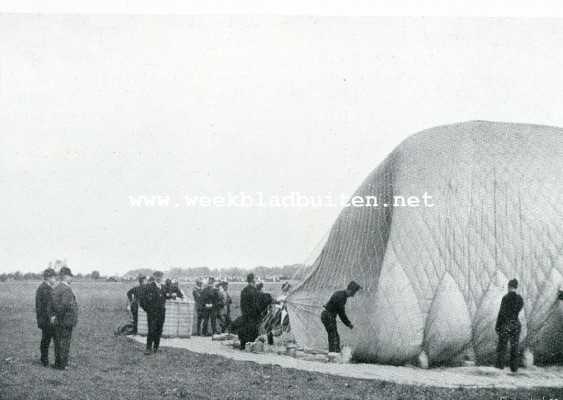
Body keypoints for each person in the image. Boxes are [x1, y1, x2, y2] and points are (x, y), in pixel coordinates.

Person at [321, 281, 361, 354]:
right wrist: (348, 324)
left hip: (326, 314)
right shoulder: (341, 297)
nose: (353, 295)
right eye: (353, 293)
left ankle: (332, 352)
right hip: (328, 315)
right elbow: (341, 314)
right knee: (334, 337)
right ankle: (335, 353)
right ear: (349, 290)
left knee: (332, 336)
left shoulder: (340, 294)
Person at [52, 266, 79, 370]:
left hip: (58, 320)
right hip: (66, 320)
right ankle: (63, 365)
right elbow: (64, 305)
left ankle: (58, 363)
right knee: (65, 343)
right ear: (65, 277)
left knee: (58, 342)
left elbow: (53, 304)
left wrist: (54, 316)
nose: (71, 278)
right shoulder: (66, 289)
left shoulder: (57, 288)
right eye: (70, 276)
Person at [495, 278, 524, 372]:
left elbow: (501, 313)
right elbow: (519, 309)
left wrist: (497, 326)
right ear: (516, 287)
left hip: (506, 324)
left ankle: (499, 368)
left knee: (502, 347)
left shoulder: (505, 298)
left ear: (509, 286)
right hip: (516, 324)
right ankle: (514, 369)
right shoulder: (520, 298)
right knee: (515, 347)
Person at [140, 271, 166, 355]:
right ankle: (148, 348)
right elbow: (142, 300)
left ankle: (156, 347)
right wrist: (148, 310)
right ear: (154, 277)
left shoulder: (163, 287)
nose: (159, 278)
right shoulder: (149, 286)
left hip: (161, 313)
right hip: (152, 313)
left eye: (160, 276)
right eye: (157, 276)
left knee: (159, 330)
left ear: (162, 277)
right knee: (151, 330)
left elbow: (164, 298)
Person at [35, 267, 57, 367]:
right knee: (46, 340)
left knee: (46, 339)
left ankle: (44, 359)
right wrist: (51, 317)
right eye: (53, 277)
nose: (55, 279)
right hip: (46, 320)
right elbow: (46, 306)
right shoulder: (44, 289)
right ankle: (44, 360)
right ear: (48, 278)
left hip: (45, 319)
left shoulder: (44, 287)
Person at [238, 273, 260, 350]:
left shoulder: (244, 290)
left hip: (245, 313)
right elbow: (256, 304)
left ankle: (243, 345)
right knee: (252, 330)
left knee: (244, 328)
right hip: (252, 314)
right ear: (253, 280)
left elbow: (241, 303)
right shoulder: (254, 290)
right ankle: (251, 346)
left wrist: (244, 312)